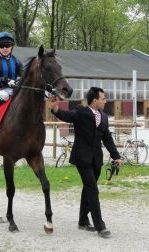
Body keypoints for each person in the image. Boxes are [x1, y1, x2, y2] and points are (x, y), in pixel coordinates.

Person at [49, 87, 123, 238]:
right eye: (103, 98)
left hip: (96, 159)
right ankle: (100, 226)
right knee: (92, 189)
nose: (105, 101)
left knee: (88, 188)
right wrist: (54, 107)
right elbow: (65, 115)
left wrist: (116, 156)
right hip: (82, 158)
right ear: (95, 100)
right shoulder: (81, 112)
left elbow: (107, 138)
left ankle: (83, 221)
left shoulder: (104, 116)